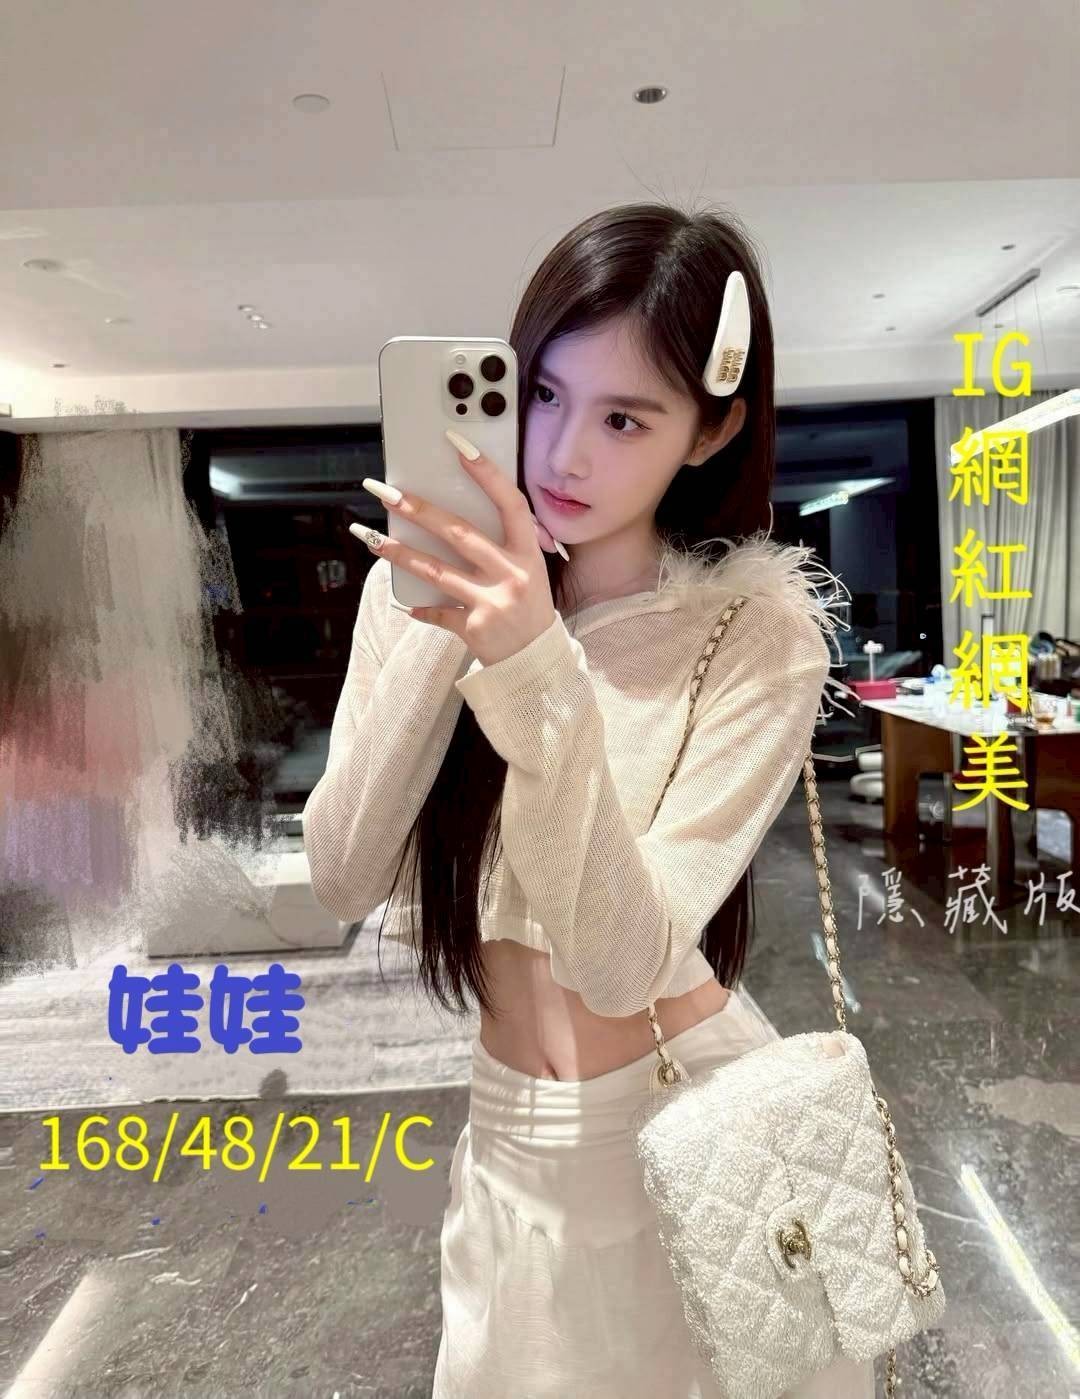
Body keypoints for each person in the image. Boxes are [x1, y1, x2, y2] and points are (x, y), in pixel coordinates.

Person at [301, 201, 875, 1398]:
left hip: (693, 1128)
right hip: (508, 1135)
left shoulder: (751, 635)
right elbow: (343, 874)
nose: (564, 455)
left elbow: (621, 966)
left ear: (711, 430)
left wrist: (529, 663)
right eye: (546, 394)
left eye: (626, 418)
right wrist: (447, 620)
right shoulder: (415, 597)